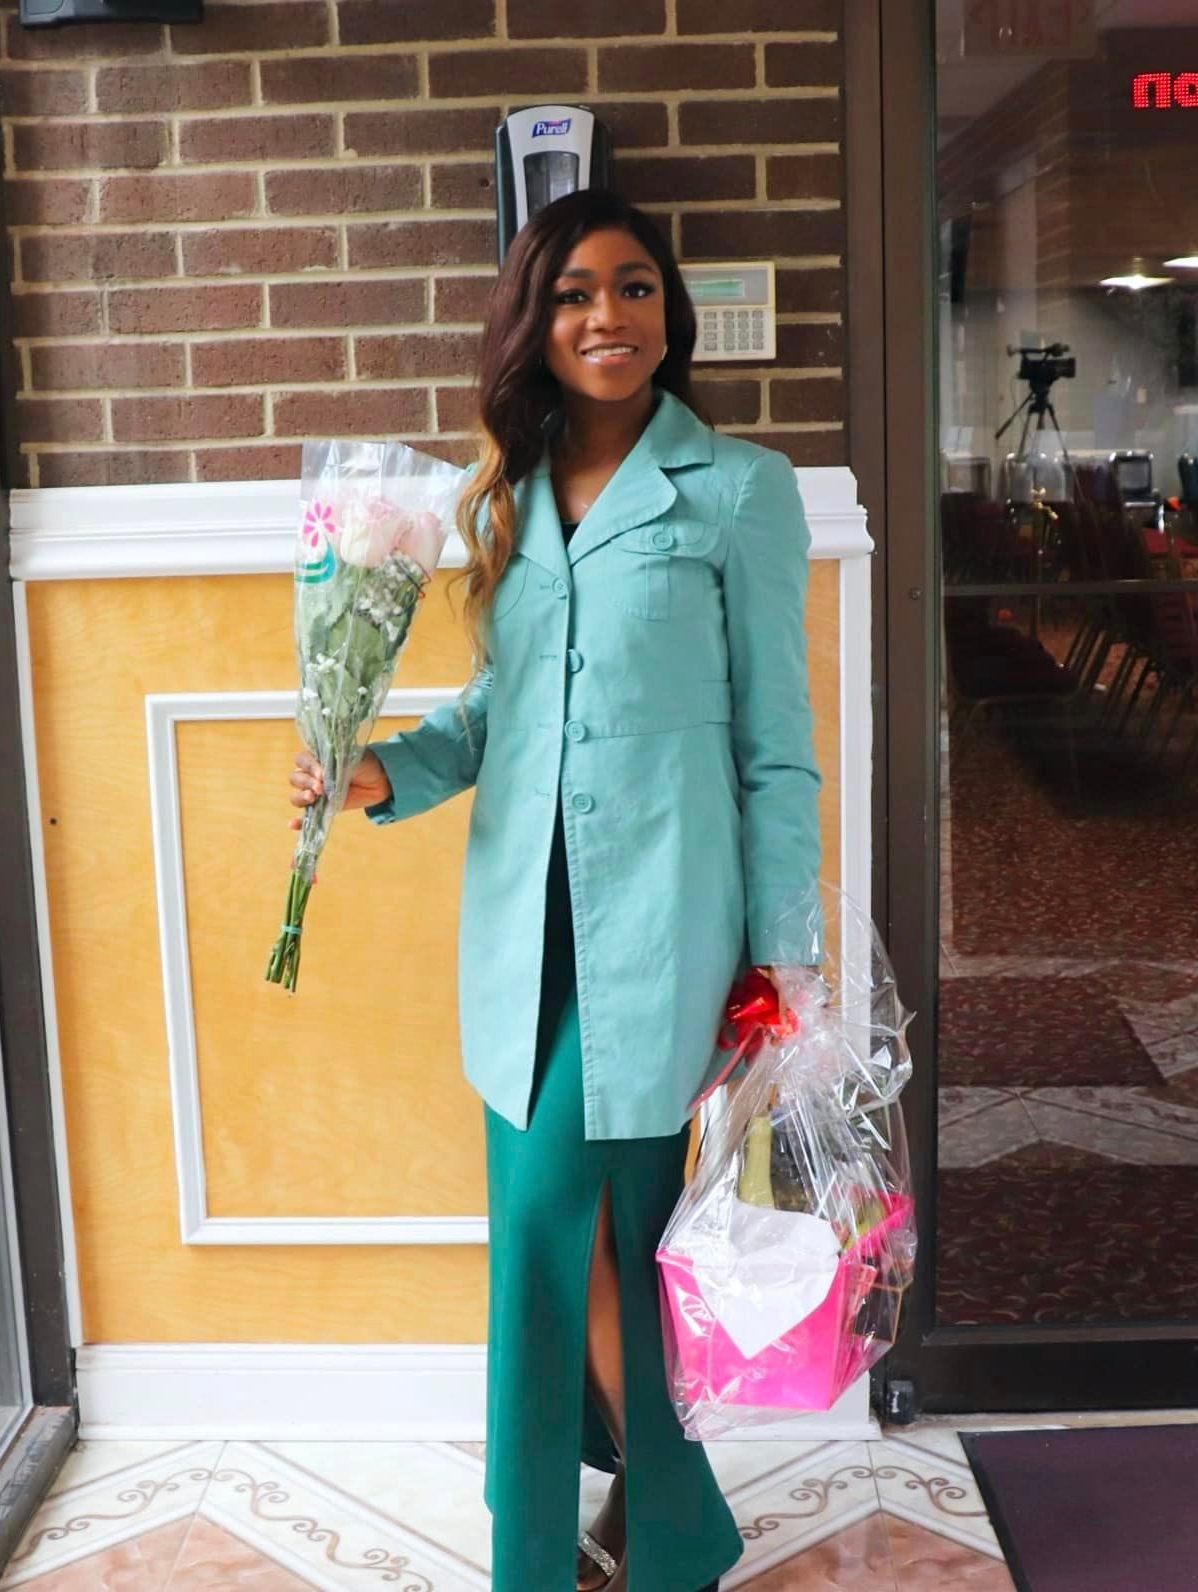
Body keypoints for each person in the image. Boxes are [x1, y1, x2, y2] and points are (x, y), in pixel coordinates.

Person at [288, 188, 823, 1592]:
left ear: (671, 313)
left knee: (564, 1232)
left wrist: (789, 957)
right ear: (537, 321)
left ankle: (566, 1548)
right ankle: (668, 1522)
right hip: (523, 938)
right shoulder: (504, 502)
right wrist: (375, 774)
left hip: (663, 937)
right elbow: (492, 712)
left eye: (636, 287)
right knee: (584, 1240)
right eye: (579, 291)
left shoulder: (741, 491)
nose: (610, 316)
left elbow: (777, 749)